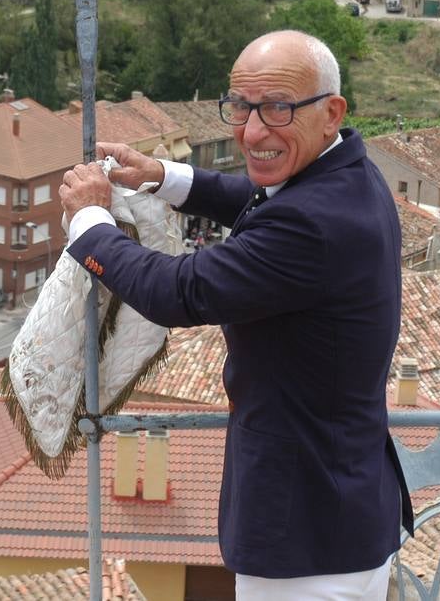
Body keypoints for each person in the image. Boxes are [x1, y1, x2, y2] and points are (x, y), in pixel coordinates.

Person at [60, 30, 411, 599]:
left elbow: (176, 292)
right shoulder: (348, 173)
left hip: (306, 538)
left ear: (331, 112)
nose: (251, 131)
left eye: (276, 109)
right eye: (241, 107)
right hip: (346, 507)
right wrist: (162, 176)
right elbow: (259, 199)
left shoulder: (312, 225)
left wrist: (90, 223)